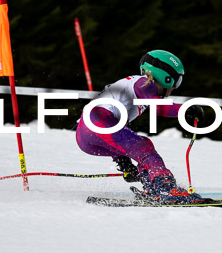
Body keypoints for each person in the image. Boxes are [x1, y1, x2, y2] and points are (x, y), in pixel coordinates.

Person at [76, 49, 205, 203]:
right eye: (177, 81)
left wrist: (122, 160)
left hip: (85, 136)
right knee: (145, 150)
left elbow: (116, 133)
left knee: (142, 145)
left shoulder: (135, 85)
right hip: (100, 122)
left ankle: (153, 187)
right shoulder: (146, 83)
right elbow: (160, 108)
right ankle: (165, 189)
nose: (175, 87)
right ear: (166, 77)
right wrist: (186, 109)